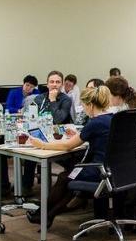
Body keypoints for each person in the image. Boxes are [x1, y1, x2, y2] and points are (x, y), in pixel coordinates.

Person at [26, 86, 114, 227]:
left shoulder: (94, 123)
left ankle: (42, 214)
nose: (83, 109)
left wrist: (42, 144)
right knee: (69, 178)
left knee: (64, 177)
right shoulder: (112, 118)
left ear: (91, 105)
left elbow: (67, 146)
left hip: (99, 170)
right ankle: (46, 215)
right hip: (114, 169)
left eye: (84, 106)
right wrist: (80, 135)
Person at [21, 71, 73, 196]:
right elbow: (31, 117)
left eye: (57, 82)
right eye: (52, 82)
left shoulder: (66, 99)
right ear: (47, 84)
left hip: (59, 138)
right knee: (30, 154)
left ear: (62, 84)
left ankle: (64, 190)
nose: (54, 84)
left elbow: (58, 119)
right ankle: (25, 187)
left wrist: (53, 100)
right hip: (40, 135)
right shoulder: (39, 98)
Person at [106, 76, 136, 151]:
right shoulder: (132, 105)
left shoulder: (124, 111)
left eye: (108, 95)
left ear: (117, 96)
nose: (107, 98)